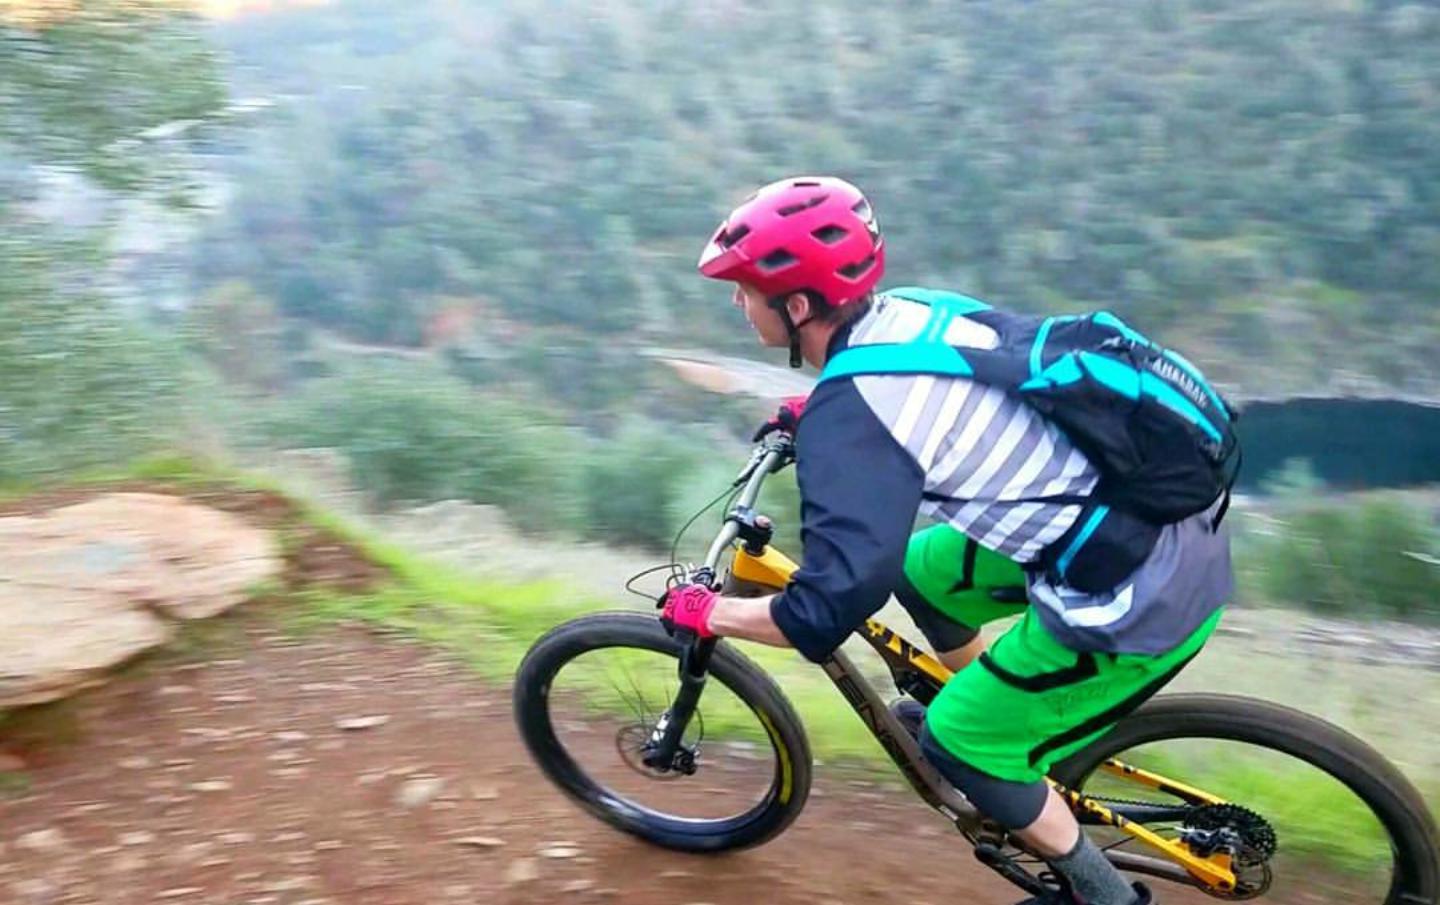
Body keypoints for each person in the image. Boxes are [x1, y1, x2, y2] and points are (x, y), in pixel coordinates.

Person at [659, 176, 1234, 905]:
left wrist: (710, 614)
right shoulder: (908, 312)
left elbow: (819, 612)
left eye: (744, 290)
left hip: (1136, 596)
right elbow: (945, 391)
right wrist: (815, 411)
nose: (737, 304)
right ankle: (985, 707)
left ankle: (1100, 893)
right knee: (916, 567)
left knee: (957, 745)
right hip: (1141, 522)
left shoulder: (855, 413)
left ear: (797, 305)